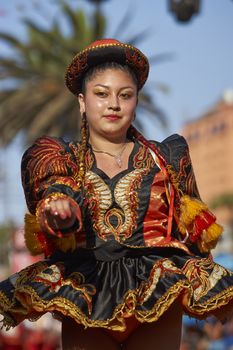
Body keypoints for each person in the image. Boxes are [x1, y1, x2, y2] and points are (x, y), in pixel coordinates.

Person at [0, 38, 232, 350]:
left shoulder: (167, 157)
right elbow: (51, 197)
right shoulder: (60, 158)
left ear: (136, 101)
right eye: (101, 94)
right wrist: (60, 212)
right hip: (86, 288)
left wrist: (212, 291)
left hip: (158, 289)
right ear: (82, 101)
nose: (114, 104)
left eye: (125, 95)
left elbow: (194, 232)